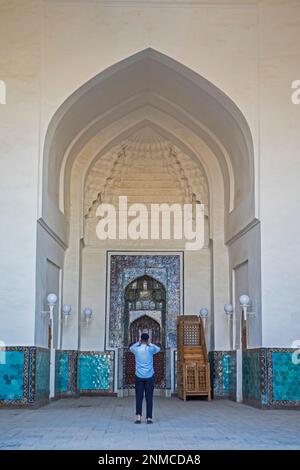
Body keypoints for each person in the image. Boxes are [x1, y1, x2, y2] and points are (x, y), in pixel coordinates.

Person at [129, 333, 160, 424]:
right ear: (148, 340)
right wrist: (150, 343)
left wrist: (138, 343)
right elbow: (158, 349)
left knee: (139, 397)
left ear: (141, 339)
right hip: (149, 377)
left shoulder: (136, 349)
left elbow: (130, 348)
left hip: (139, 376)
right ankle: (149, 418)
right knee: (149, 398)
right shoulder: (151, 349)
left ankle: (138, 418)